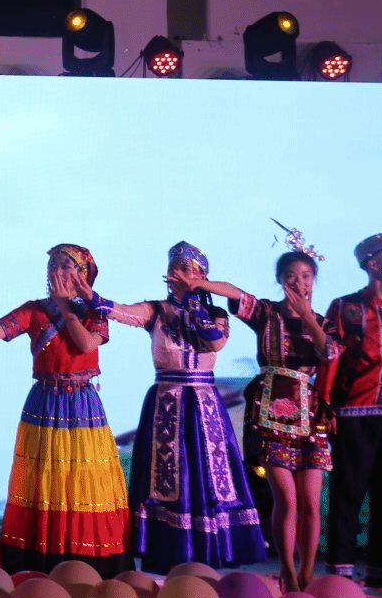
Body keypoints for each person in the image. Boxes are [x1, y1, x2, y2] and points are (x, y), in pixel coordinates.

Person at [0, 243, 130, 576]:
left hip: (83, 404)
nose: (57, 271)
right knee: (45, 478)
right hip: (45, 403)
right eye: (54, 264)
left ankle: (87, 558)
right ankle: (43, 558)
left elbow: (86, 344)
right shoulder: (34, 310)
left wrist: (66, 308)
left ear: (83, 275)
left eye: (67, 265)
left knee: (83, 478)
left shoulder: (94, 311)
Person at [99, 242, 266, 573]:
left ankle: (209, 552)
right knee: (167, 478)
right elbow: (119, 311)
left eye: (187, 269)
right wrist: (87, 296)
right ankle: (166, 552)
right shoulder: (156, 311)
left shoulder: (217, 315)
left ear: (202, 276)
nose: (179, 273)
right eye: (175, 268)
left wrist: (192, 298)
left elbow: (213, 340)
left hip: (204, 404)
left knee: (208, 475)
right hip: (167, 400)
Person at [185, 231, 332, 591]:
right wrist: (200, 284)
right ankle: (288, 570)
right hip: (271, 412)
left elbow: (329, 353)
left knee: (311, 502)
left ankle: (308, 571)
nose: (299, 282)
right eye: (291, 276)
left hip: (310, 414)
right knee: (287, 498)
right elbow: (236, 293)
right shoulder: (267, 313)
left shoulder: (322, 322)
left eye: (306, 276)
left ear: (313, 280)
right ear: (281, 280)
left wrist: (307, 317)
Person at [318, 232, 382, 588]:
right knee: (349, 488)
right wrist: (326, 403)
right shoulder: (346, 307)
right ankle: (340, 569)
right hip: (356, 409)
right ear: (373, 265)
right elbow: (331, 356)